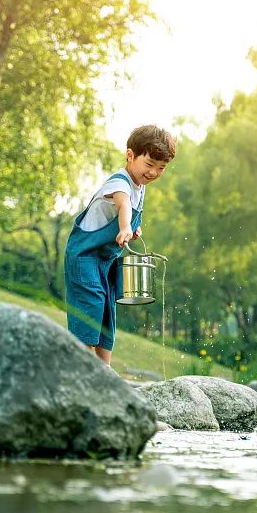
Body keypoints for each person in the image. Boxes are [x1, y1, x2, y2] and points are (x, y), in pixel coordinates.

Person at [64, 124, 176, 364]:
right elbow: (123, 205)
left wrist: (133, 229)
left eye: (161, 168)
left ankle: (104, 371)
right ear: (130, 156)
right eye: (149, 165)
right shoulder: (120, 182)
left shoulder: (140, 187)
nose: (154, 173)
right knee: (91, 305)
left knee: (107, 312)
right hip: (84, 255)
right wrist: (125, 226)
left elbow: (131, 214)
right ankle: (81, 367)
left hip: (106, 259)